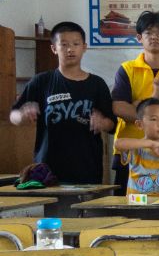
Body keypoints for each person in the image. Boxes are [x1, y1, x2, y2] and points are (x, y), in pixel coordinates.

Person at [10, 20, 115, 184]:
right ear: (54, 48)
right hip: (47, 169)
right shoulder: (41, 81)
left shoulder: (97, 84)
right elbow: (13, 115)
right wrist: (22, 115)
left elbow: (112, 124)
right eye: (64, 44)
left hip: (87, 167)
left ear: (84, 47)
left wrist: (102, 122)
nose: (70, 49)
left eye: (76, 44)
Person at [111, 11, 159, 190]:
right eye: (148, 33)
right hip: (131, 148)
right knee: (129, 201)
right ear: (139, 37)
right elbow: (119, 107)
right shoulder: (127, 69)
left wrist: (139, 105)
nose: (154, 37)